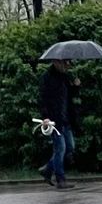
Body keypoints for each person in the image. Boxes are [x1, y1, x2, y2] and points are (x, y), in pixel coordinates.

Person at [38, 58, 78, 188]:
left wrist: (76, 87)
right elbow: (43, 99)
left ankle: (47, 169)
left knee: (70, 147)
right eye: (64, 63)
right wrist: (45, 117)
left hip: (65, 118)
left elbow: (69, 97)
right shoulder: (47, 78)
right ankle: (61, 179)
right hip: (54, 120)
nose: (67, 65)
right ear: (56, 62)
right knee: (60, 149)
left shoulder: (65, 77)